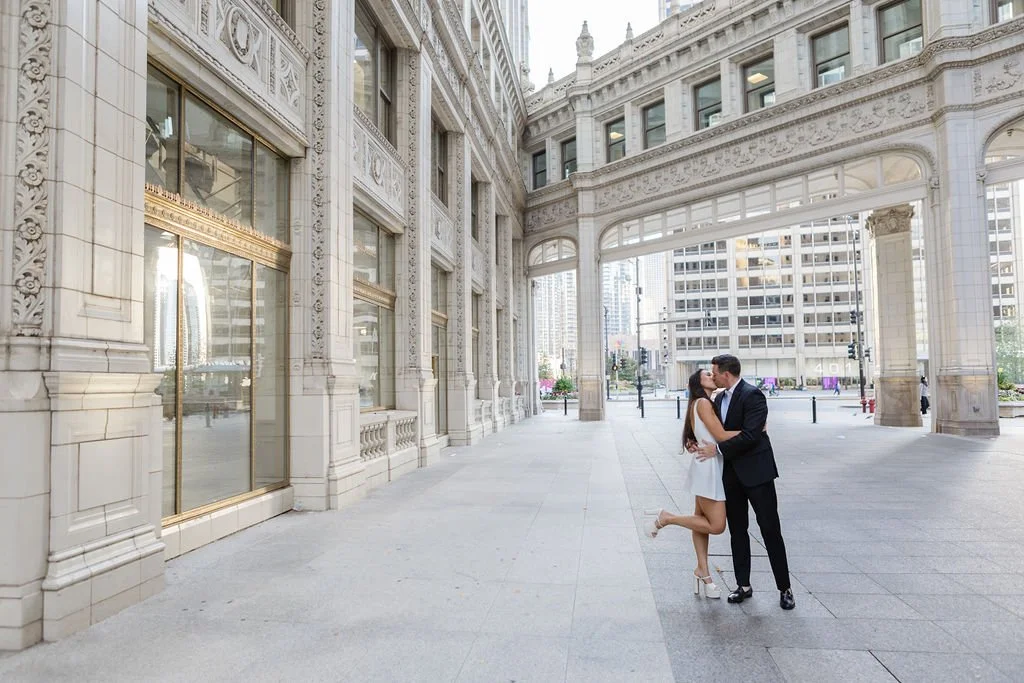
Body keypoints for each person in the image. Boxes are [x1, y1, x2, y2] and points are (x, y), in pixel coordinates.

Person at [693, 354, 795, 611]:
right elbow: (715, 430)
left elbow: (752, 436)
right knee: (737, 531)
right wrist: (692, 440)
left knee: (770, 529)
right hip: (731, 475)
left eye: (715, 373)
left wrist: (718, 449)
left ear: (726, 374)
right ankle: (743, 585)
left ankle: (785, 588)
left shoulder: (753, 395)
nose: (713, 376)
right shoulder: (717, 399)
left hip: (758, 473)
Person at [645, 369, 741, 599]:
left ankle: (703, 573)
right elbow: (720, 435)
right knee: (716, 525)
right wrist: (754, 430)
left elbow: (699, 434)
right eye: (708, 374)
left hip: (707, 465)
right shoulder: (703, 403)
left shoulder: (700, 402)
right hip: (708, 467)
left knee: (700, 522)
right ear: (699, 382)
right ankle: (667, 518)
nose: (712, 376)